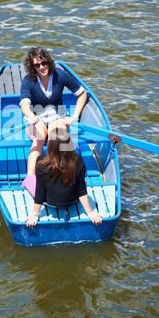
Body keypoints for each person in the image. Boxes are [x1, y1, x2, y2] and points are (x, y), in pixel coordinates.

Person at [20, 47, 87, 193]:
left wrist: (74, 116)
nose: (41, 67)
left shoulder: (60, 75)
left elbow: (82, 94)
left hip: (57, 115)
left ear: (48, 62)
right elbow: (25, 104)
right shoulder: (28, 80)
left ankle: (65, 175)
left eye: (43, 63)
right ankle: (30, 180)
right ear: (32, 67)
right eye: (37, 65)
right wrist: (30, 115)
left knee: (57, 139)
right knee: (39, 139)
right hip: (36, 116)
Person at [26, 128, 103, 227]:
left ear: (50, 147)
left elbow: (40, 192)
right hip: (72, 201)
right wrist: (90, 212)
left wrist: (35, 215)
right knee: (81, 180)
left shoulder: (41, 162)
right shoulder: (78, 160)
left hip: (49, 202)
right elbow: (81, 190)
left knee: (30, 179)